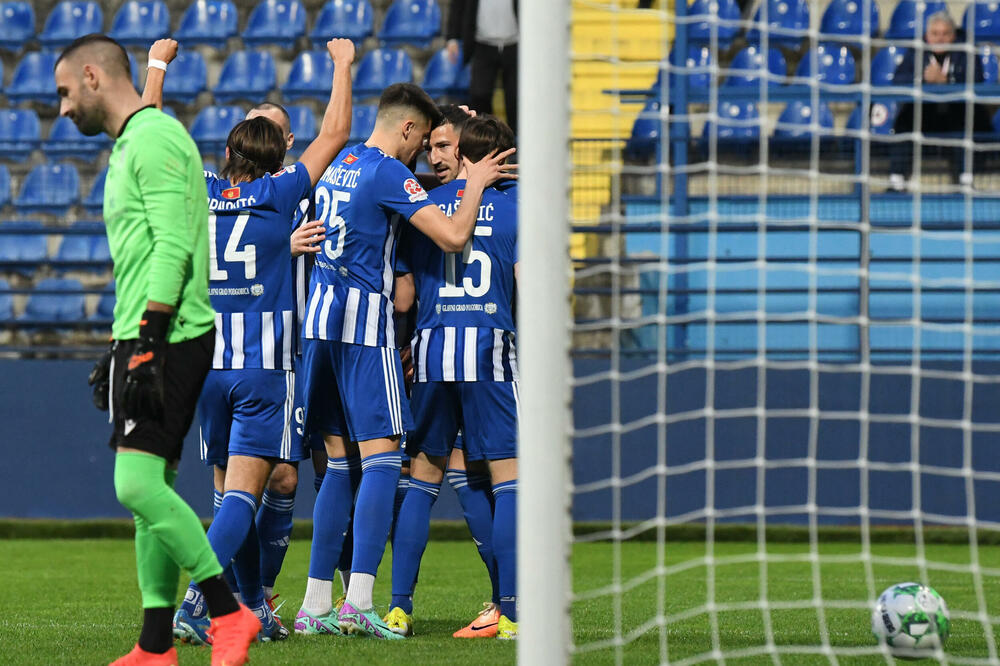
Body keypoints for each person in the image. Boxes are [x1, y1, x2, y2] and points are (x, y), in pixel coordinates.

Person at [57, 34, 259, 666]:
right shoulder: (133, 142)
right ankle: (154, 646)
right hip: (146, 334)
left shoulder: (154, 140)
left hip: (169, 336)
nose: (62, 109)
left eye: (65, 92)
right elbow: (146, 254)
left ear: (92, 76)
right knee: (153, 492)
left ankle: (228, 612)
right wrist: (123, 344)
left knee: (135, 484)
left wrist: (145, 342)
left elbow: (173, 245)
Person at [293, 82, 514, 639]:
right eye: (423, 143)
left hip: (317, 325)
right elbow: (454, 236)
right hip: (366, 330)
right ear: (409, 129)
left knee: (338, 464)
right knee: (386, 459)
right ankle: (359, 601)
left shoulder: (340, 160)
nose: (423, 156)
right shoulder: (391, 173)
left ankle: (315, 605)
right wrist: (475, 179)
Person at [142, 39, 335, 614]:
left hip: (206, 367)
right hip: (262, 367)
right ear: (279, 160)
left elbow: (148, 135)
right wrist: (344, 66)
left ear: (227, 151)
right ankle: (197, 605)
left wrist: (157, 66)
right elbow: (335, 134)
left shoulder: (199, 191)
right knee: (244, 497)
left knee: (231, 492)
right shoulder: (280, 193)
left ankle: (253, 605)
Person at [386, 116, 519, 640]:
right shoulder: (516, 207)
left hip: (433, 352)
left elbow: (404, 298)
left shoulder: (423, 207)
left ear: (460, 153)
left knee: (422, 481)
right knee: (509, 482)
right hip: (491, 352)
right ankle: (512, 613)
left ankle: (399, 610)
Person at [889, 11, 993, 190]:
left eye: (945, 34)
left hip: (956, 111)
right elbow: (898, 80)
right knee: (903, 121)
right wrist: (922, 78)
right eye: (935, 34)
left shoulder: (966, 50)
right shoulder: (915, 50)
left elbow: (977, 79)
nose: (939, 39)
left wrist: (948, 80)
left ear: (953, 36)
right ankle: (896, 180)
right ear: (927, 36)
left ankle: (965, 179)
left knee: (969, 120)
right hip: (925, 113)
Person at [446, 0, 518, 135]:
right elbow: (458, 5)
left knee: (515, 97)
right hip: (482, 44)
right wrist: (452, 38)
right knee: (479, 95)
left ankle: (517, 139)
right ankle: (484, 137)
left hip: (516, 44)